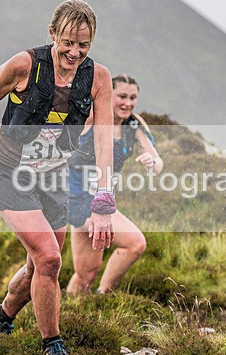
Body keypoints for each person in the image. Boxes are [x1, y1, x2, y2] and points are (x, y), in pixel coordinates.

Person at [0, 0, 116, 355]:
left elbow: (103, 137)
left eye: (83, 45)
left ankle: (1, 316)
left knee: (39, 267)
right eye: (67, 42)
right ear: (52, 33)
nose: (74, 52)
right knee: (50, 258)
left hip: (53, 178)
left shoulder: (98, 78)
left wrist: (104, 197)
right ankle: (53, 345)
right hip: (9, 173)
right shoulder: (24, 65)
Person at [66, 74, 163, 295]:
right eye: (122, 96)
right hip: (75, 196)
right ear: (109, 95)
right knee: (135, 243)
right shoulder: (91, 116)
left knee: (86, 273)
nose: (127, 103)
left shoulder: (134, 125)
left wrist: (152, 162)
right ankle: (104, 295)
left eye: (133, 98)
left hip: (100, 200)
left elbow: (158, 163)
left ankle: (68, 309)